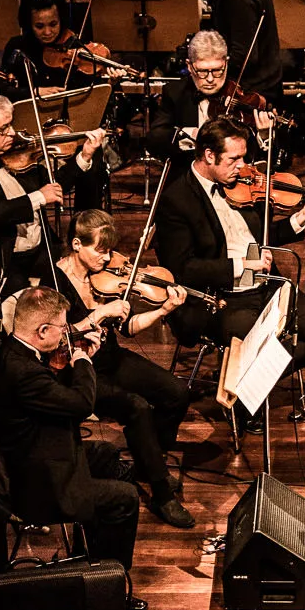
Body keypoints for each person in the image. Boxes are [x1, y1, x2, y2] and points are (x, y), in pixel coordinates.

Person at [152, 118, 305, 410]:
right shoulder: (177, 200)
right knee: (261, 347)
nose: (243, 166)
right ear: (209, 155)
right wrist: (241, 264)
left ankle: (243, 385)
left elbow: (264, 237)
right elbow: (183, 269)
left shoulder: (241, 184)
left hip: (268, 285)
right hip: (222, 298)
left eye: (244, 156)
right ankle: (247, 395)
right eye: (234, 158)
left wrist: (304, 214)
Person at [0, 285, 148, 610]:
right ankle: (109, 588)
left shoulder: (13, 350)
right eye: (61, 328)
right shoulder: (24, 372)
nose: (65, 335)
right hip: (34, 484)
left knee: (107, 454)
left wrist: (73, 351)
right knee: (124, 499)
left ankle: (95, 553)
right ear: (41, 330)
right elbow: (80, 403)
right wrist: (84, 360)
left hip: (35, 453)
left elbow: (52, 387)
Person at [51, 209, 195, 529]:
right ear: (77, 244)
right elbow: (58, 336)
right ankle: (161, 495)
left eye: (109, 251)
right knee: (137, 407)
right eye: (99, 250)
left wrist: (164, 310)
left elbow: (128, 327)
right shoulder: (56, 280)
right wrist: (99, 313)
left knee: (177, 393)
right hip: (80, 370)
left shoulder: (105, 279)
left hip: (112, 358)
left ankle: (148, 463)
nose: (107, 258)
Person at [0, 90, 109, 299]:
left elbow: (53, 188)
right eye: (3, 129)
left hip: (39, 248)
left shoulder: (16, 153)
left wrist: (84, 156)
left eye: (10, 125)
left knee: (81, 274)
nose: (12, 133)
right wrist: (38, 197)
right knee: (28, 305)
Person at [147, 31, 275, 158]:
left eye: (217, 70)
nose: (210, 79)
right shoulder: (175, 92)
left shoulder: (245, 92)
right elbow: (155, 138)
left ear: (226, 63)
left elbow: (267, 158)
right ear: (190, 66)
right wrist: (191, 133)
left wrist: (264, 136)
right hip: (189, 173)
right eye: (202, 71)